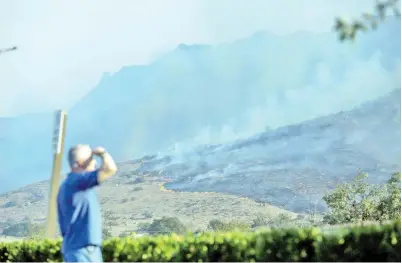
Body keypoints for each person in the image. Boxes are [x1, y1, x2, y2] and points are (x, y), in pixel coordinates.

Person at [57, 145, 118, 262]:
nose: (95, 162)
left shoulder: (69, 184)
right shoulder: (78, 180)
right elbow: (110, 169)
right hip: (83, 250)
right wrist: (102, 153)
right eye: (91, 159)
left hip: (79, 249)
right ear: (79, 163)